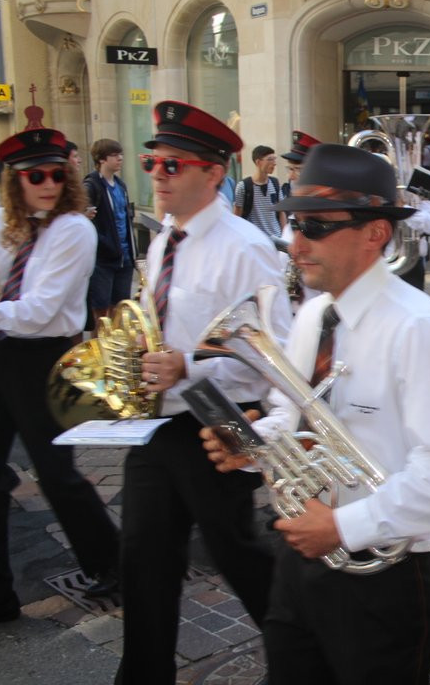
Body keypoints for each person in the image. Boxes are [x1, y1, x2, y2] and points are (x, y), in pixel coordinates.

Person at [202, 143, 430, 684]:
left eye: (314, 227)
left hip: (382, 580)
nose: (293, 242)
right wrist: (251, 441)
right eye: (291, 224)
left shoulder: (421, 329)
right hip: (299, 557)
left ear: (375, 232)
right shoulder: (313, 315)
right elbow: (292, 415)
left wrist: (342, 526)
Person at [117, 101, 292, 684]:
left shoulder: (245, 247)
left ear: (213, 173)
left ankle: (303, 652)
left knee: (235, 549)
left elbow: (278, 357)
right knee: (142, 555)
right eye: (152, 162)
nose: (157, 174)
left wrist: (187, 365)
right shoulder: (167, 235)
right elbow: (154, 316)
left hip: (223, 414)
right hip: (160, 418)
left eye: (172, 165)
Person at [0, 127, 121, 621]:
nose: (48, 183)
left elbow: (42, 310)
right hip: (2, 353)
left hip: (41, 358)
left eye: (56, 173)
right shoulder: (6, 222)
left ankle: (113, 563)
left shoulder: (74, 229)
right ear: (16, 181)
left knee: (56, 473)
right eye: (35, 175)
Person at [83, 138, 136, 326]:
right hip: (104, 259)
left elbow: (126, 218)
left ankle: (115, 349)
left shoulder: (121, 186)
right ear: (102, 159)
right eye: (115, 155)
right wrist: (103, 242)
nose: (120, 158)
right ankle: (100, 351)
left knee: (120, 309)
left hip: (125, 257)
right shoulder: (92, 186)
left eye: (121, 154)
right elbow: (82, 220)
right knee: (101, 312)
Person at [234, 145, 284, 238]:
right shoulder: (243, 186)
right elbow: (237, 216)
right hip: (255, 239)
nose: (274, 163)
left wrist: (285, 236)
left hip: (277, 240)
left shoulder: (275, 183)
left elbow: (281, 212)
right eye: (270, 159)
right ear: (258, 162)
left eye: (274, 159)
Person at [278, 130, 321, 200]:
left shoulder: (324, 198)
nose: (290, 176)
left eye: (298, 169)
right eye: (290, 169)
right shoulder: (288, 190)